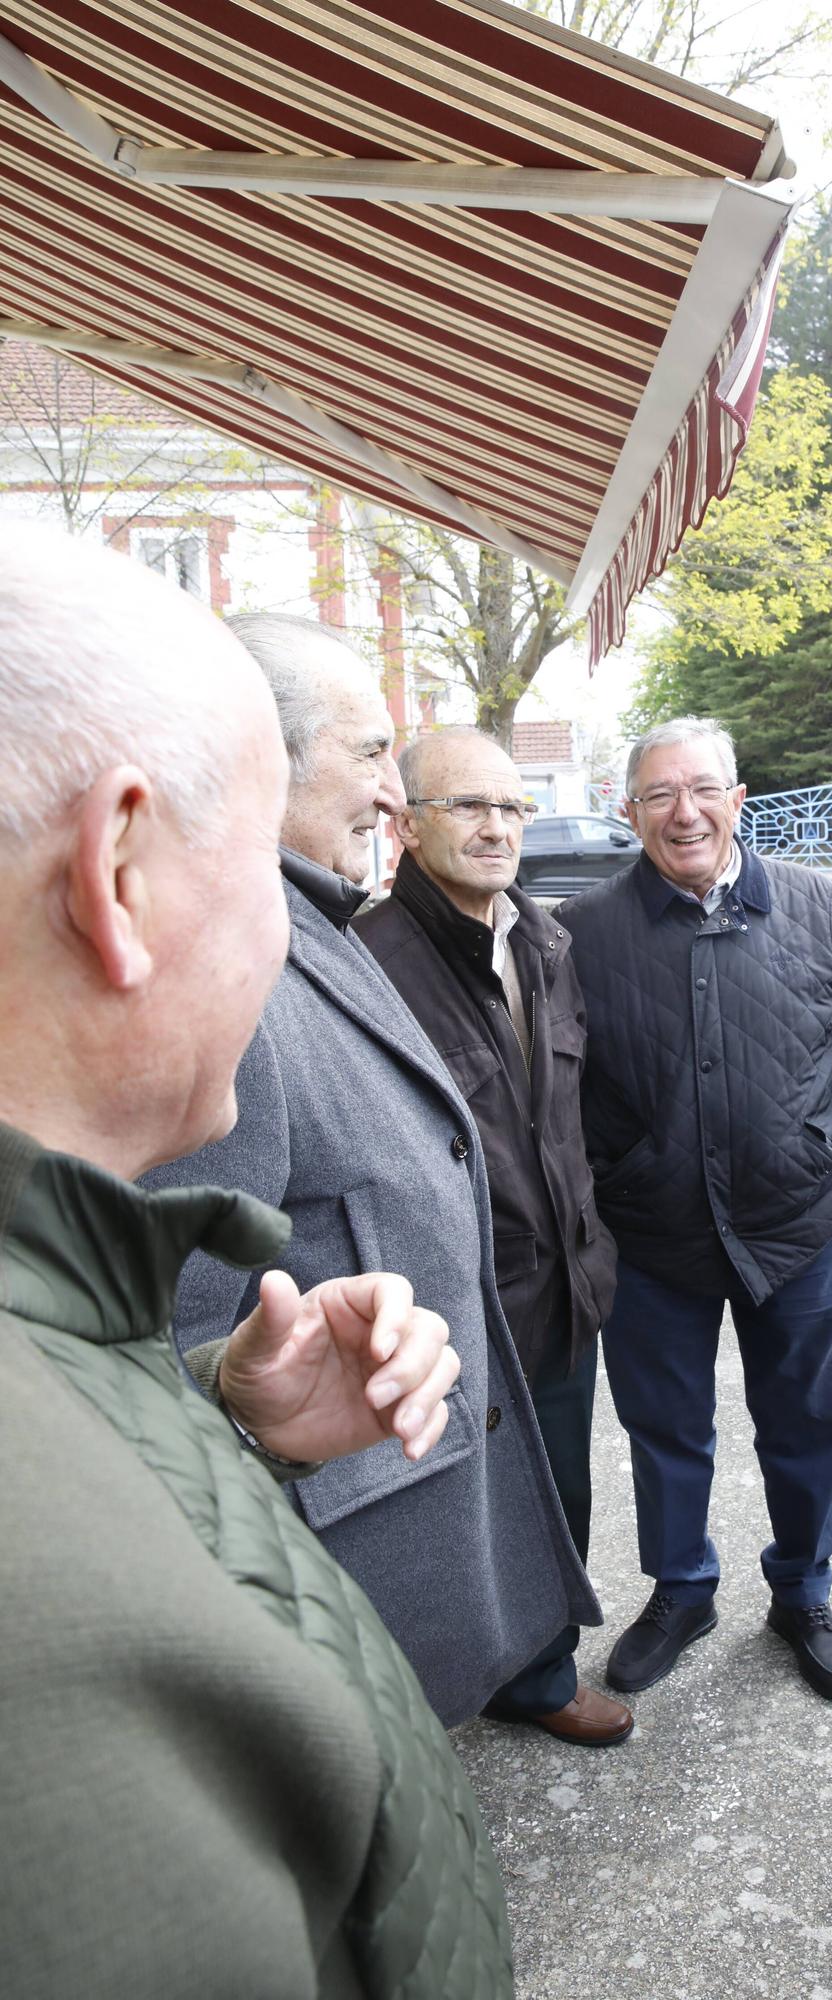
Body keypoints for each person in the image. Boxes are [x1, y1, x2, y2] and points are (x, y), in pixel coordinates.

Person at [0, 525, 510, 1998]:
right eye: (257, 872)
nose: (291, 941)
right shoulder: (55, 1684)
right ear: (120, 874)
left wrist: (223, 1416)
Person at [147, 615, 599, 1729]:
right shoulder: (227, 963)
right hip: (339, 1529)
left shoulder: (316, 921)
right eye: (373, 752)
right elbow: (178, 1325)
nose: (397, 792)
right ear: (261, 752)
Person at [558, 717, 832, 1701]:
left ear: (737, 798)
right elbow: (560, 1088)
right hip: (653, 1235)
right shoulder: (580, 932)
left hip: (799, 1225)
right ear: (629, 812)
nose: (684, 811)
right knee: (665, 1425)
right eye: (658, 794)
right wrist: (601, 1189)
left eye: (702, 788)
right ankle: (681, 1586)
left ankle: (803, 1587)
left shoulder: (818, 904)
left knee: (808, 1418)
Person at [353, 726, 628, 1747]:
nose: (498, 826)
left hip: (559, 1283)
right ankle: (446, 1681)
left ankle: (540, 1670)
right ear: (408, 822)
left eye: (511, 807)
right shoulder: (369, 959)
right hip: (449, 1294)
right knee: (441, 1502)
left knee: (559, 1486)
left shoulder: (544, 939)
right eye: (470, 805)